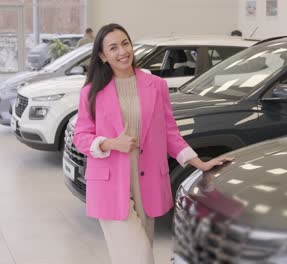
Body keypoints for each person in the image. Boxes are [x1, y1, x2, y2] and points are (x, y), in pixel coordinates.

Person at [72, 23, 232, 264]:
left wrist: (199, 162)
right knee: (139, 256)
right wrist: (110, 143)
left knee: (135, 252)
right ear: (103, 56)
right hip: (110, 184)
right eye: (113, 48)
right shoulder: (92, 91)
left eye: (125, 43)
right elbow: (81, 136)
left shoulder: (156, 86)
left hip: (146, 181)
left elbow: (169, 132)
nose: (122, 51)